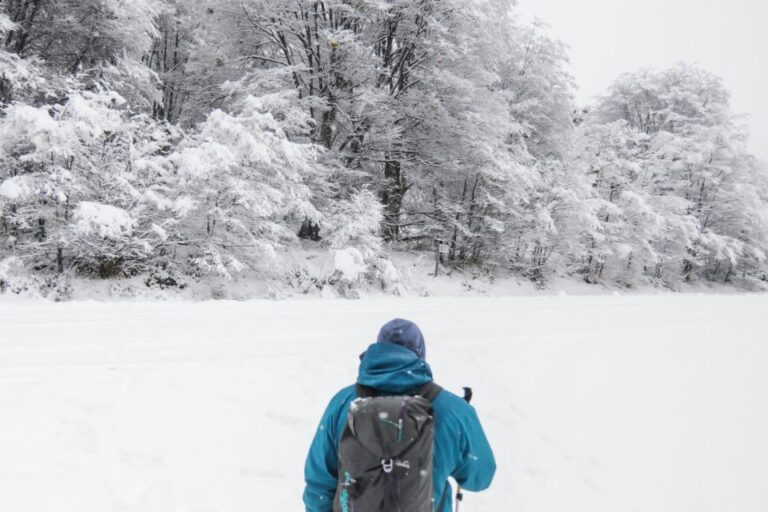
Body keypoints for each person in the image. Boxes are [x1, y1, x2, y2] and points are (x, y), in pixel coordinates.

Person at [303, 318, 496, 511]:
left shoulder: (343, 403)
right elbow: (479, 478)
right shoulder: (453, 410)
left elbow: (319, 484)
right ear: (420, 354)